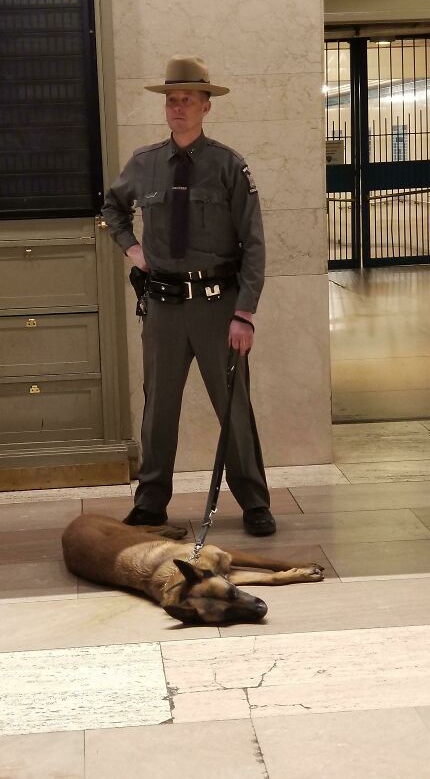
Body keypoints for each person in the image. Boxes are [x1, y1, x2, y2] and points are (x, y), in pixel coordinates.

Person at [101, 54, 275, 536]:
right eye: (172, 101)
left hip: (220, 308)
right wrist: (132, 247)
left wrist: (245, 312)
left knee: (234, 407)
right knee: (158, 408)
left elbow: (253, 242)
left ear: (206, 107)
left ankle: (255, 502)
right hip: (163, 308)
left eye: (188, 101)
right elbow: (111, 209)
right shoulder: (144, 163)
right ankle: (151, 501)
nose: (178, 109)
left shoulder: (228, 166)